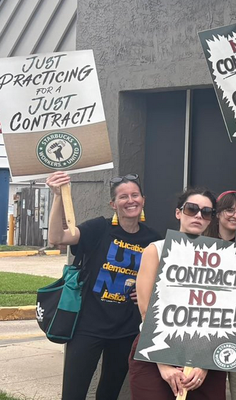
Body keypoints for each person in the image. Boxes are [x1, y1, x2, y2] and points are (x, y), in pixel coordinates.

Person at [47, 171, 162, 400]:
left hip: (126, 329)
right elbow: (57, 238)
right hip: (87, 326)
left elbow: (162, 281)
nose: (130, 200)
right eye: (123, 196)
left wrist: (147, 294)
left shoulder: (153, 239)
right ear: (113, 204)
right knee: (73, 394)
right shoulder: (99, 228)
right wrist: (58, 196)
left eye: (135, 195)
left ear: (143, 200)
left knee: (109, 393)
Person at [130, 188, 225, 399]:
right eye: (192, 209)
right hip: (155, 348)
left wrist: (204, 364)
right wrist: (163, 364)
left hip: (204, 352)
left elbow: (223, 316)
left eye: (206, 212)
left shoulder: (221, 257)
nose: (198, 215)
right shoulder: (156, 250)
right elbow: (146, 310)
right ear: (178, 212)